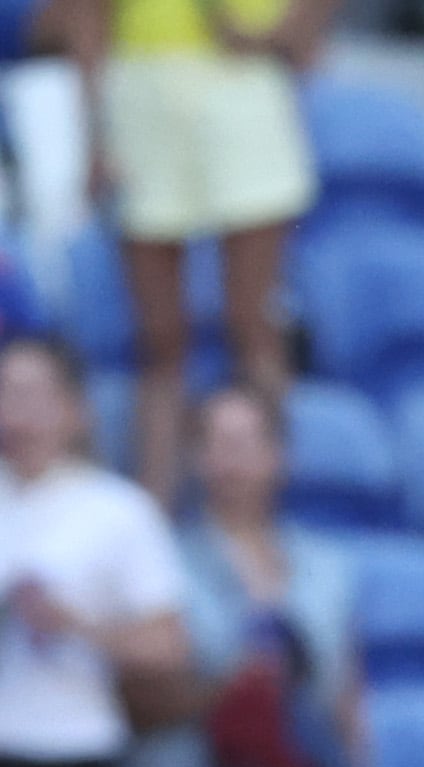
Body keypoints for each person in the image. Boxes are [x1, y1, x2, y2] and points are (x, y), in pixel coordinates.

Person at [117, 382, 350, 767]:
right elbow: (132, 701)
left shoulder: (328, 568)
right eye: (215, 443)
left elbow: (346, 695)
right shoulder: (156, 561)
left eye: (248, 443)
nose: (233, 461)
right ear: (194, 458)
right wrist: (224, 691)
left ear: (282, 456)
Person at [50, 0, 329, 508]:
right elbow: (86, 13)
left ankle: (271, 508)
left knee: (252, 325)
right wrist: (94, 135)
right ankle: (152, 512)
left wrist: (286, 32)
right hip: (142, 87)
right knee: (160, 341)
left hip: (244, 81)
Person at [0, 330, 196, 767]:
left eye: (33, 395)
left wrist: (75, 624)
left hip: (71, 758)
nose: (15, 412)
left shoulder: (116, 510)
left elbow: (170, 646)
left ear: (77, 410)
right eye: (5, 393)